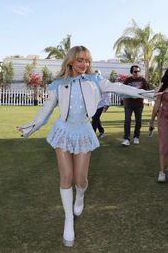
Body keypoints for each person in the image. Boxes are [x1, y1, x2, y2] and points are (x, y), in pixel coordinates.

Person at [18, 46, 154, 247]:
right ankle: (69, 220)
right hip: (63, 132)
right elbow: (46, 109)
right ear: (71, 61)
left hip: (83, 132)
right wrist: (31, 127)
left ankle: (80, 194)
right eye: (80, 60)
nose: (85, 64)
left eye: (87, 60)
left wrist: (145, 92)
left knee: (80, 180)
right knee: (66, 177)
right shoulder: (58, 84)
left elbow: (119, 87)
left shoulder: (94, 80)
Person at [121, 65, 149, 146]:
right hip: (128, 104)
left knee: (138, 121)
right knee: (127, 121)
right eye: (135, 71)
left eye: (138, 71)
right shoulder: (127, 80)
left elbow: (147, 90)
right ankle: (126, 139)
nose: (137, 73)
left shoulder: (142, 80)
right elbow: (123, 90)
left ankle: (136, 137)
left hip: (139, 104)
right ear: (132, 72)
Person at [149, 69, 168, 182]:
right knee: (163, 144)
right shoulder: (162, 88)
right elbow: (157, 104)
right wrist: (151, 120)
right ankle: (161, 172)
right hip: (163, 118)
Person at [92, 70, 110, 138]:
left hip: (101, 105)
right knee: (96, 119)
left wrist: (107, 105)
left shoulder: (104, 83)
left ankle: (92, 136)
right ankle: (102, 132)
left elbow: (107, 94)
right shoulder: (92, 83)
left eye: (98, 75)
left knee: (94, 120)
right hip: (93, 105)